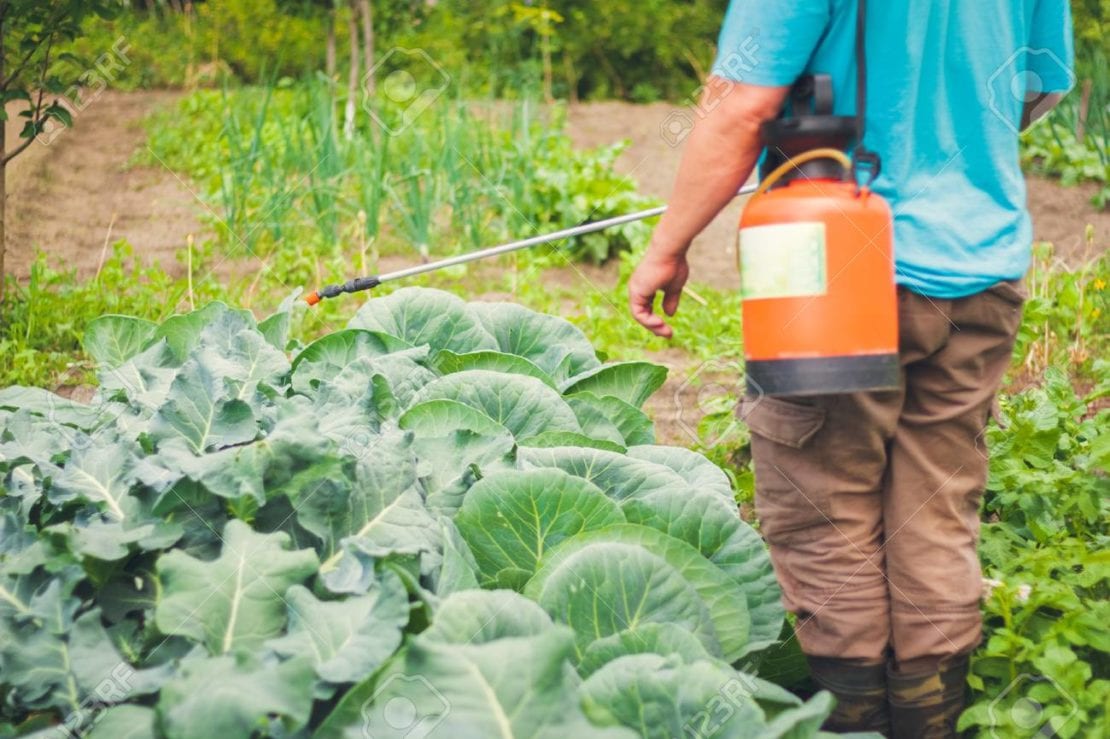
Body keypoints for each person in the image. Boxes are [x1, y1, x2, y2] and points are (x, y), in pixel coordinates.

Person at [627, 2, 1074, 736]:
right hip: (980, 264)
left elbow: (744, 104)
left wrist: (667, 246)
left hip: (830, 264)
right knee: (935, 508)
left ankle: (851, 721)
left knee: (823, 509)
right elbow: (1035, 89)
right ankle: (931, 720)